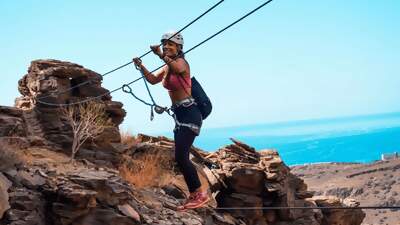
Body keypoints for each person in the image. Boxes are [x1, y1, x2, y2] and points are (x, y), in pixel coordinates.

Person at [132, 31, 210, 210]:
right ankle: (194, 195)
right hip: (180, 116)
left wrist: (160, 55)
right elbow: (152, 80)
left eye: (170, 44)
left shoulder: (182, 62)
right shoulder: (168, 66)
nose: (166, 47)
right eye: (164, 44)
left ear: (179, 47)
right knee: (180, 157)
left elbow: (179, 69)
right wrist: (141, 66)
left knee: (181, 156)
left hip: (190, 114)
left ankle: (199, 194)